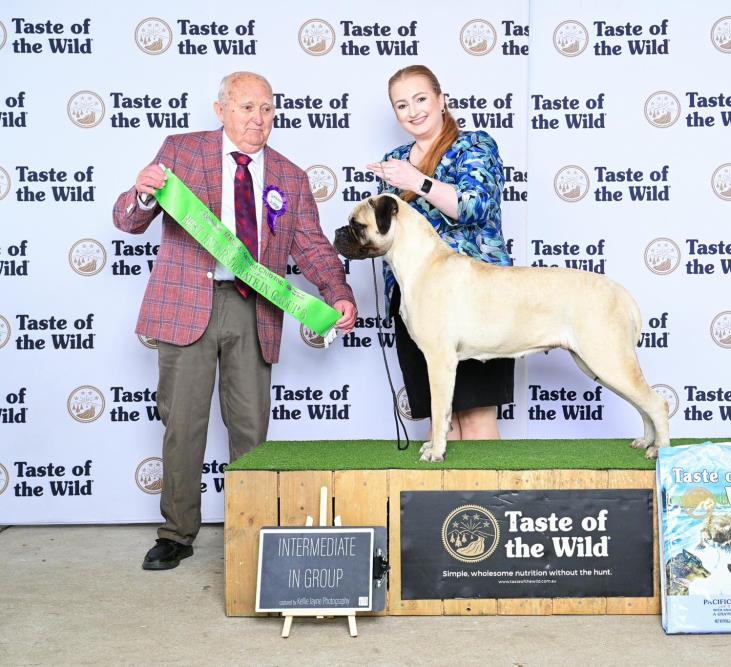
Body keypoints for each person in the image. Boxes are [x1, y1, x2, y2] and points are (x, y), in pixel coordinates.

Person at [112, 71, 357, 570]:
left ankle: (255, 530)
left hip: (254, 308)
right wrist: (141, 193)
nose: (258, 119)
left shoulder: (290, 176)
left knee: (250, 427)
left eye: (266, 109)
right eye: (246, 107)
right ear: (220, 110)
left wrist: (337, 292)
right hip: (187, 305)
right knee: (183, 425)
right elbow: (127, 221)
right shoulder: (181, 151)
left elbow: (311, 246)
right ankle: (177, 533)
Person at [366, 64, 512, 441]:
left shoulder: (474, 145)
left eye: (420, 99)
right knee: (439, 423)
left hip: (475, 297)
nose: (413, 111)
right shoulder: (396, 158)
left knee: (476, 418)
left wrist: (417, 181)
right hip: (414, 300)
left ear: (441, 99)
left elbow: (474, 207)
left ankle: (487, 486)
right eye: (402, 105)